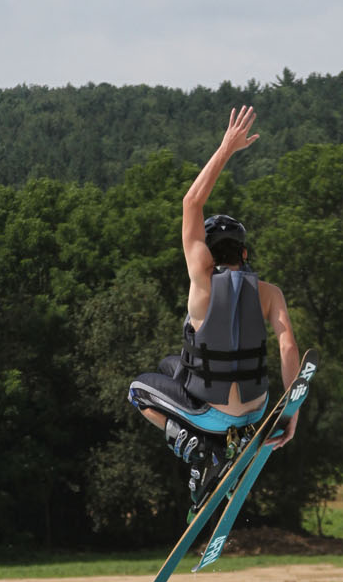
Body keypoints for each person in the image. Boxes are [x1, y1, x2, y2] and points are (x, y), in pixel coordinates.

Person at [128, 106, 300, 507]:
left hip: (210, 412)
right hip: (256, 412)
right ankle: (232, 440)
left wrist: (225, 148)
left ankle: (199, 452)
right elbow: (289, 349)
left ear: (205, 250)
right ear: (244, 251)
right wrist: (289, 415)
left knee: (138, 390)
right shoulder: (270, 292)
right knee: (174, 364)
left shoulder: (201, 277)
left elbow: (192, 202)